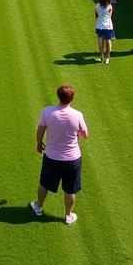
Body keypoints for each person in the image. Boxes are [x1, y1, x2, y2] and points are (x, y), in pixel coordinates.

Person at [31, 84, 89, 226]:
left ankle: (38, 206)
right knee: (70, 189)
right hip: (73, 159)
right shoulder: (78, 115)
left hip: (52, 157)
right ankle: (68, 216)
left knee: (44, 183)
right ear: (72, 98)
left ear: (58, 96)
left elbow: (40, 130)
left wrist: (39, 143)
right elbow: (85, 135)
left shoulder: (47, 112)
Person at [95, 0, 115, 65]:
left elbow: (96, 15)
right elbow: (110, 16)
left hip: (99, 25)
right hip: (108, 26)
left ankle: (101, 57)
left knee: (100, 41)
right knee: (108, 41)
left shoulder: (97, 6)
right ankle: (108, 58)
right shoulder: (110, 6)